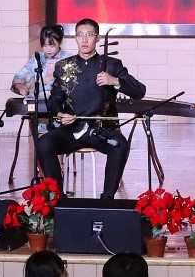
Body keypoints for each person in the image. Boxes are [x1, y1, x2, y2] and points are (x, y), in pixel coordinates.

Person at [36, 18, 146, 199]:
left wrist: (115, 81)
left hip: (102, 130)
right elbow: (54, 99)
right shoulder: (63, 66)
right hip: (72, 130)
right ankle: (58, 198)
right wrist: (60, 114)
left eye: (89, 35)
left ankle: (107, 200)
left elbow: (139, 91)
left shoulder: (111, 65)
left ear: (98, 38)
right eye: (80, 35)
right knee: (43, 143)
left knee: (120, 146)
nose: (85, 40)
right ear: (75, 38)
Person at [12, 24, 73, 96]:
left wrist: (52, 76)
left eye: (51, 46)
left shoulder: (68, 58)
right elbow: (20, 75)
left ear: (59, 42)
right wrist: (20, 87)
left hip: (61, 99)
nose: (48, 49)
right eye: (44, 46)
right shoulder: (37, 58)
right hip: (38, 99)